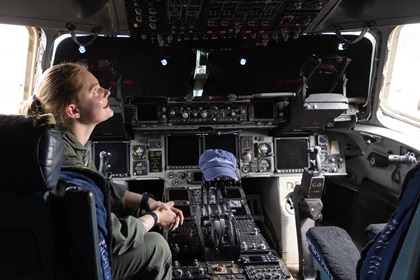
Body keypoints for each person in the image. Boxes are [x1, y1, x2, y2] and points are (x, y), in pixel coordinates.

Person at [20, 62, 184, 280]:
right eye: (95, 89)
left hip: (59, 255)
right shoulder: (66, 161)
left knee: (135, 213)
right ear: (73, 110)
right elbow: (114, 236)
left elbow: (103, 187)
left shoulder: (64, 145)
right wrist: (156, 217)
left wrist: (148, 202)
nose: (107, 91)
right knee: (157, 247)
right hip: (72, 267)